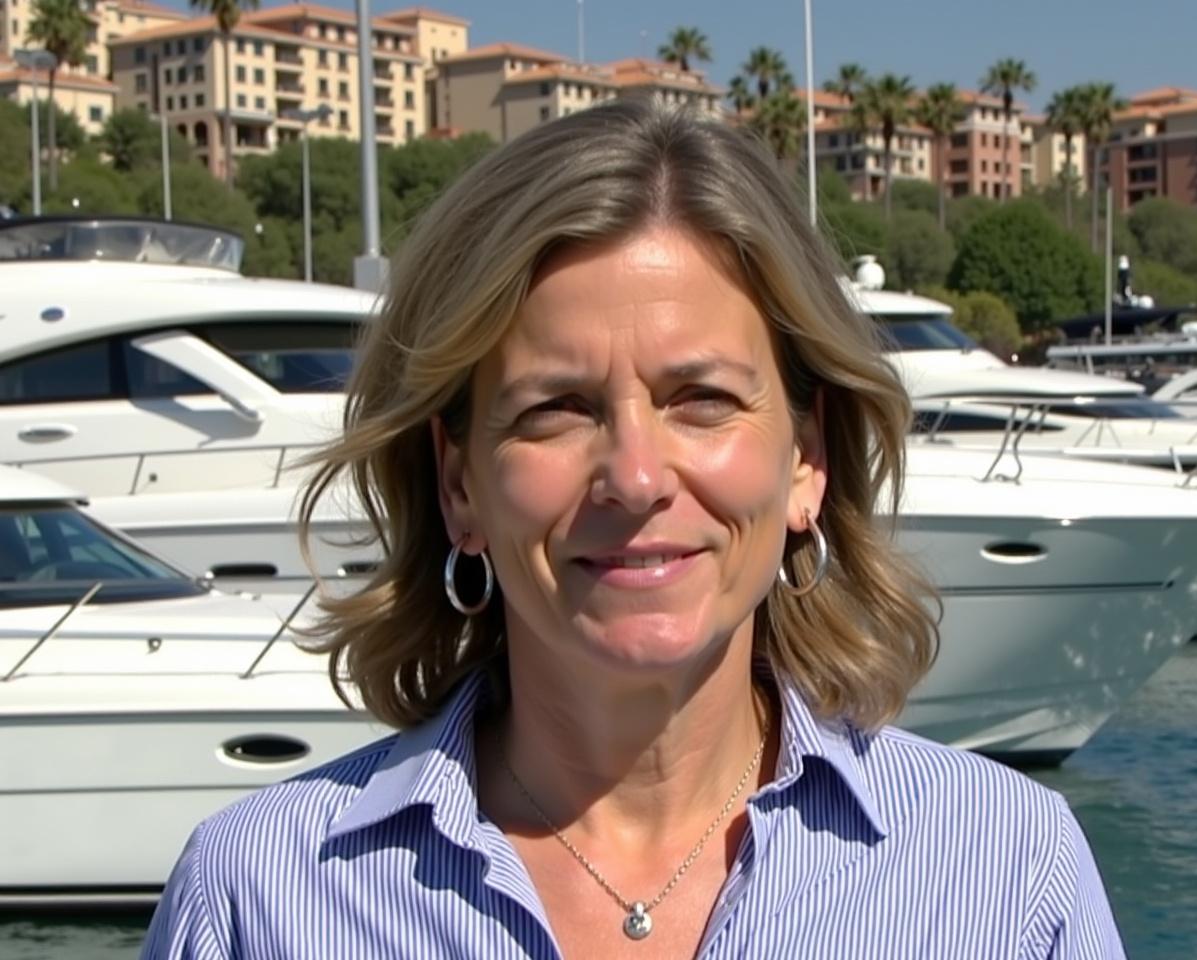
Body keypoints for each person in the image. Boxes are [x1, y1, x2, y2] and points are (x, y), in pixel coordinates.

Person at [141, 100, 1125, 959]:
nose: (637, 476)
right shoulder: (260, 898)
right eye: (554, 409)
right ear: (458, 487)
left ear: (805, 461)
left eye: (699, 398)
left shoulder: (1002, 872)